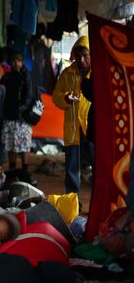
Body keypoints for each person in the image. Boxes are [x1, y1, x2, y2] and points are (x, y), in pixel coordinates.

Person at [52, 36, 93, 197]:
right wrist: (65, 99)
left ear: (92, 55)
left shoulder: (99, 72)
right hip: (73, 129)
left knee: (100, 168)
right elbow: (56, 96)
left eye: (85, 55)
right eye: (78, 56)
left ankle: (99, 203)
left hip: (93, 128)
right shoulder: (67, 74)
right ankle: (72, 203)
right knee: (71, 169)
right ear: (73, 55)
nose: (81, 60)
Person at [0, 50, 35, 172]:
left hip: (22, 118)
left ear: (22, 62)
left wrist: (21, 109)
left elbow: (29, 95)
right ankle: (12, 169)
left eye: (18, 61)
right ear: (9, 63)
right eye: (13, 61)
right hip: (9, 116)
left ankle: (25, 170)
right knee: (11, 145)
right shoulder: (7, 77)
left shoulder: (27, 76)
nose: (16, 63)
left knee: (24, 145)